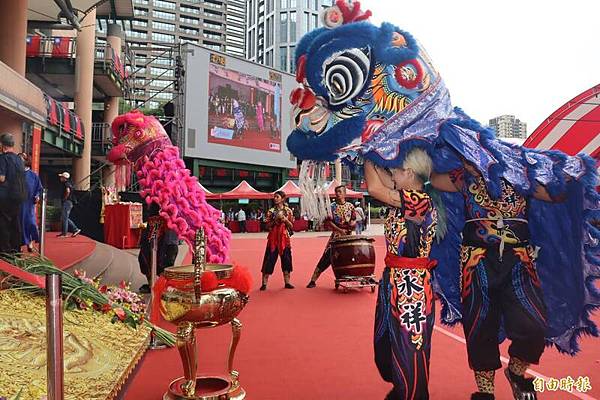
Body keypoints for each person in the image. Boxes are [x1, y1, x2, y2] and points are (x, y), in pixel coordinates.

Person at [431, 159, 556, 400]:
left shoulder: (522, 175)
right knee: (479, 325)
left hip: (519, 260)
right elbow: (433, 180)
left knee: (535, 324)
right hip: (476, 261)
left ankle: (516, 372)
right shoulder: (463, 177)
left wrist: (574, 171)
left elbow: (555, 195)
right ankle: (485, 392)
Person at [365, 148, 444, 400]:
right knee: (389, 344)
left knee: (411, 347)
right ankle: (402, 389)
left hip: (412, 287)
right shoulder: (405, 195)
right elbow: (382, 179)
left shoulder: (420, 200)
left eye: (396, 170)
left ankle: (412, 394)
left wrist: (367, 154)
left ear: (409, 173)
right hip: (394, 280)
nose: (392, 175)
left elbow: (376, 189)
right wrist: (372, 154)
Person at [306, 185, 356, 288]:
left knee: (351, 257)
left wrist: (351, 225)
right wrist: (339, 230)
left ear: (344, 194)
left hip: (348, 235)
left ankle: (353, 277)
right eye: (336, 192)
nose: (337, 194)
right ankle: (313, 279)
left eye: (340, 192)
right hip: (336, 235)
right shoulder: (331, 207)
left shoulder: (350, 206)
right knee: (327, 257)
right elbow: (328, 222)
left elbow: (354, 219)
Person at [138, 202, 179, 293]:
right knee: (144, 257)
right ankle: (151, 283)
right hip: (153, 229)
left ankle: (164, 284)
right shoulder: (152, 201)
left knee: (166, 259)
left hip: (168, 229)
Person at [260, 190, 295, 290]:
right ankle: (264, 283)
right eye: (274, 197)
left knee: (286, 260)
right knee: (269, 260)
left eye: (277, 197)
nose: (275, 198)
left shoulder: (288, 211)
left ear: (283, 199)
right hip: (273, 239)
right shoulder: (271, 211)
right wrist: (275, 221)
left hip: (285, 238)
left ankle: (287, 282)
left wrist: (285, 220)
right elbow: (267, 226)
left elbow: (292, 226)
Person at [0, 133, 26, 253]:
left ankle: (5, 251)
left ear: (2, 145)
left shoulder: (3, 158)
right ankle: (16, 249)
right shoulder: (19, 160)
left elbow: (2, 178)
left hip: (5, 197)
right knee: (15, 223)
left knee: (3, 223)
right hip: (18, 196)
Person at [18, 154, 43, 252]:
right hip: (18, 203)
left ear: (26, 160)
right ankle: (19, 245)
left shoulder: (33, 175)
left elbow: (39, 188)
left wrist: (37, 196)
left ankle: (30, 242)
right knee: (19, 224)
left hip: (29, 203)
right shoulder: (16, 174)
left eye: (21, 159)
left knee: (31, 223)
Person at [57, 171, 81, 238]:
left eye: (61, 177)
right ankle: (75, 229)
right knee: (65, 217)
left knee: (64, 218)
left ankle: (65, 233)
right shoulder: (69, 183)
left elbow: (68, 191)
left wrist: (65, 198)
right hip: (68, 202)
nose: (60, 178)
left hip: (67, 202)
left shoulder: (66, 183)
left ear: (64, 178)